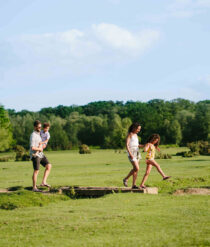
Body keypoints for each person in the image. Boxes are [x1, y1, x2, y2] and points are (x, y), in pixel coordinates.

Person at [30, 120, 52, 192]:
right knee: (36, 171)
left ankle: (43, 182)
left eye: (40, 127)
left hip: (40, 154)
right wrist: (40, 148)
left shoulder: (39, 134)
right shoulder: (33, 135)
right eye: (38, 127)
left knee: (48, 166)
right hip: (35, 155)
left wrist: (42, 147)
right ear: (34, 127)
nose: (40, 128)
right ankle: (34, 188)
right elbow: (32, 147)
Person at [123, 122, 144, 189]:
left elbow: (137, 145)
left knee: (136, 170)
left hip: (137, 152)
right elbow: (127, 145)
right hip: (131, 152)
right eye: (138, 129)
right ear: (134, 128)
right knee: (136, 168)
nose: (139, 130)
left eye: (139, 129)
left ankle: (134, 185)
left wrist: (144, 145)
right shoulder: (130, 134)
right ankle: (126, 179)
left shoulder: (136, 135)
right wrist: (130, 154)